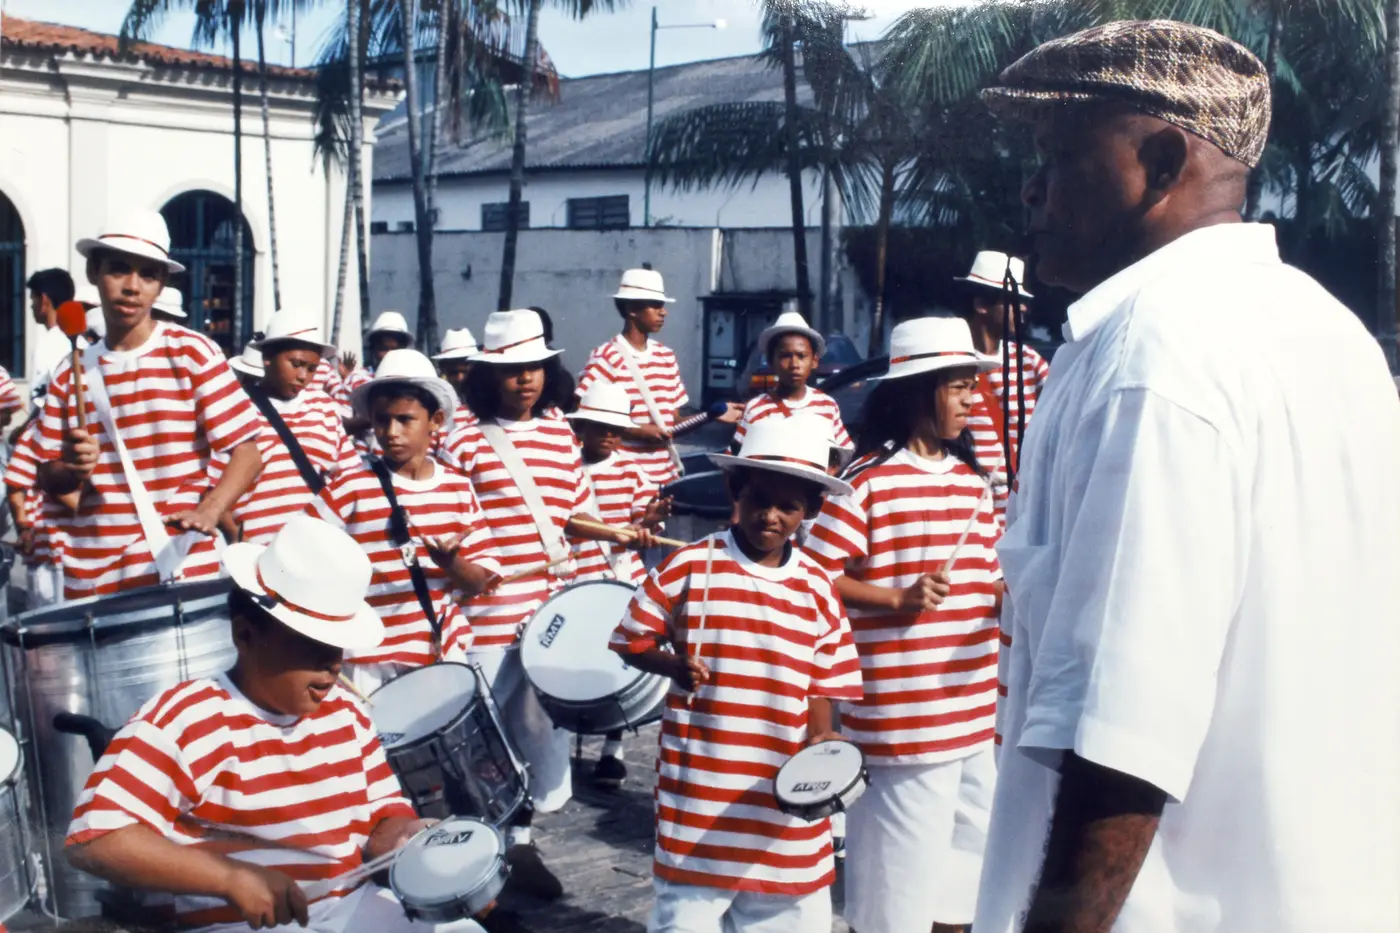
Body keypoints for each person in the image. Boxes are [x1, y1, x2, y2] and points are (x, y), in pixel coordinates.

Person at [970, 20, 1400, 933]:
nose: (1032, 188)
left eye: (1059, 155)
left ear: (1161, 164)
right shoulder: (1337, 337)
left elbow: (1121, 739)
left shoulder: (1154, 355)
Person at [66, 515, 487, 933]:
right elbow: (95, 838)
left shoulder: (347, 713)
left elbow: (380, 819)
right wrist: (229, 879)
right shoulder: (186, 717)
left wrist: (405, 835)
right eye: (311, 643)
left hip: (347, 906)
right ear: (245, 636)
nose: (333, 663)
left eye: (338, 646)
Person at [611, 415, 863, 933]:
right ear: (735, 492)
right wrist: (671, 664)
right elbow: (629, 640)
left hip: (782, 792)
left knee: (790, 918)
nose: (770, 516)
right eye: (758, 500)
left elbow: (824, 681)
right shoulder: (690, 566)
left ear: (812, 509)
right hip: (702, 789)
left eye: (788, 506)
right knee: (687, 918)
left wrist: (820, 735)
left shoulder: (817, 587)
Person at [439, 308, 649, 899]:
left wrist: (618, 534)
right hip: (486, 614)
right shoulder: (462, 439)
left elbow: (574, 516)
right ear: (489, 377)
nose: (525, 379)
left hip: (550, 610)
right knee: (483, 734)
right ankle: (477, 857)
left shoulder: (560, 433)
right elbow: (452, 519)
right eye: (512, 371)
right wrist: (471, 570)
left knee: (538, 729)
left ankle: (521, 843)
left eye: (534, 368)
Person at [803, 316, 1002, 933]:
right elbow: (812, 577)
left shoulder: (975, 483)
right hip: (903, 721)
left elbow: (988, 579)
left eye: (974, 387)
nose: (972, 401)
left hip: (974, 713)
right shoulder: (865, 482)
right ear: (919, 390)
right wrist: (895, 599)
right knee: (899, 889)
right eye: (960, 387)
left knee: (968, 877)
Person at [28, 210, 263, 600]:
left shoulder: (192, 354)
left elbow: (248, 452)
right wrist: (69, 466)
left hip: (178, 567)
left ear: (162, 284)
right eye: (119, 269)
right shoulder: (70, 371)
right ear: (93, 271)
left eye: (148, 275)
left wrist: (210, 509)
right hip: (92, 584)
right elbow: (48, 477)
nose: (132, 287)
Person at [324, 349, 500, 693]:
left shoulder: (457, 488)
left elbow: (480, 582)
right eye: (381, 420)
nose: (391, 432)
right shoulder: (350, 485)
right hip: (368, 660)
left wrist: (451, 564)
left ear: (435, 420)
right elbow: (306, 547)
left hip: (439, 651)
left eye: (405, 420)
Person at [564, 381, 670, 789]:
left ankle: (614, 747)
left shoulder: (632, 470)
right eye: (600, 427)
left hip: (620, 575)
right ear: (582, 427)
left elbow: (644, 521)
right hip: (576, 576)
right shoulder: (566, 468)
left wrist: (649, 523)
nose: (609, 435)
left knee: (620, 661)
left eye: (616, 429)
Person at [576, 268, 740, 486]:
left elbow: (672, 424)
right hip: (620, 480)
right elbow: (584, 420)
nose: (664, 313)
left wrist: (711, 415)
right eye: (655, 305)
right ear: (632, 309)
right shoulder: (605, 358)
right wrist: (635, 432)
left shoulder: (666, 357)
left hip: (664, 479)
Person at [209, 311, 359, 544]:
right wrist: (236, 538)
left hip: (317, 545)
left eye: (312, 368)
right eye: (296, 364)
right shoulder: (236, 408)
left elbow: (349, 477)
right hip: (255, 547)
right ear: (268, 357)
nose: (303, 376)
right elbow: (213, 485)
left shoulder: (324, 407)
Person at [953, 251, 1049, 516]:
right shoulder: (951, 362)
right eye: (1013, 301)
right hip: (974, 509)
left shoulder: (1029, 362)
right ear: (982, 304)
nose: (1023, 309)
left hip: (1025, 506)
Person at [730, 310, 852, 457]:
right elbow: (736, 457)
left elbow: (844, 454)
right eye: (785, 356)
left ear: (814, 361)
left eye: (802, 356)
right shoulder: (755, 409)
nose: (794, 364)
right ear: (771, 361)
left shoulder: (827, 406)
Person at [25, 267, 77, 406]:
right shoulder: (79, 341)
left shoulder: (49, 345)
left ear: (44, 301)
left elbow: (41, 404)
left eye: (33, 300)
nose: (31, 306)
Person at [432, 326, 479, 429]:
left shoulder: (492, 399)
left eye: (465, 372)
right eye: (453, 373)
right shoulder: (437, 405)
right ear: (443, 370)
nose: (460, 378)